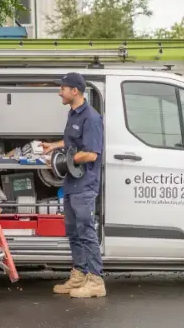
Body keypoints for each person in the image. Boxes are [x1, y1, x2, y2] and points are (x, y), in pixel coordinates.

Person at [40, 72, 106, 298]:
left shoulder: (92, 118)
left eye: (63, 88)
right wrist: (54, 146)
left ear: (74, 91)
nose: (60, 92)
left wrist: (62, 160)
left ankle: (96, 280)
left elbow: (90, 154)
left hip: (84, 184)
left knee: (86, 231)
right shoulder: (73, 113)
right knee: (73, 231)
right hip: (71, 184)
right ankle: (79, 275)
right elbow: (71, 143)